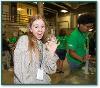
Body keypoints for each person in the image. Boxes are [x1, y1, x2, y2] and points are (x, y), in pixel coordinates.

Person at [14, 14, 59, 84]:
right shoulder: (24, 40)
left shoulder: (42, 45)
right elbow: (21, 73)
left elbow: (51, 70)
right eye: (36, 27)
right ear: (30, 29)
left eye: (42, 26)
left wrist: (51, 52)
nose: (40, 30)